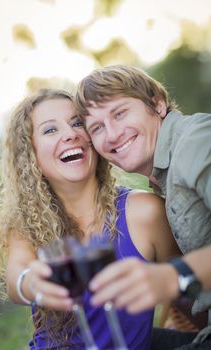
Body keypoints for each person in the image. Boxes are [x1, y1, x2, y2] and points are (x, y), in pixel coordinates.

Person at [0, 88, 181, 350]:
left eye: (77, 123)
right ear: (30, 155)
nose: (70, 134)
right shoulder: (26, 225)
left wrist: (174, 329)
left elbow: (185, 288)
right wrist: (31, 282)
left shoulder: (145, 212)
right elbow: (17, 276)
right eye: (50, 130)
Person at [75, 64, 211, 349]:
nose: (112, 134)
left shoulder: (195, 141)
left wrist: (172, 276)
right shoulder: (163, 178)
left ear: (157, 105)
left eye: (120, 113)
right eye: (97, 128)